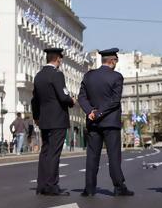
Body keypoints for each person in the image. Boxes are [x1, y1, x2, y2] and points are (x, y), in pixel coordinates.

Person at [78, 48, 134, 197]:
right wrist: (99, 113)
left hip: (93, 123)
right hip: (110, 122)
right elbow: (114, 101)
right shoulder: (116, 77)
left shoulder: (88, 76)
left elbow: (81, 98)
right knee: (114, 156)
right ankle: (119, 187)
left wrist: (90, 112)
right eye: (116, 61)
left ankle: (89, 189)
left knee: (92, 156)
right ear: (112, 61)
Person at [31, 47, 76, 196]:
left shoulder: (38, 76)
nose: (61, 61)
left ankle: (42, 185)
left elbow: (34, 100)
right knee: (54, 153)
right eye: (61, 59)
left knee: (45, 152)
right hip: (58, 120)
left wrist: (36, 117)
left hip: (44, 120)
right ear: (57, 59)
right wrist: (72, 101)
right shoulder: (57, 75)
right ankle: (52, 185)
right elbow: (63, 96)